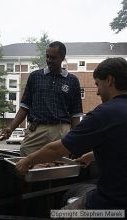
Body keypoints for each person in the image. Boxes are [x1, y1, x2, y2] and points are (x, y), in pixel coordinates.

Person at [16, 57, 127, 212]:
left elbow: (56, 150)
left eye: (97, 85)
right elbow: (119, 146)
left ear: (109, 80)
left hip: (112, 204)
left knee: (61, 212)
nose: (97, 92)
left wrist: (27, 161)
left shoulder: (104, 113)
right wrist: (91, 155)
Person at [3, 41, 82, 156]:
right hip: (37, 129)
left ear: (62, 57)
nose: (49, 60)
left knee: (59, 166)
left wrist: (76, 139)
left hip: (61, 130)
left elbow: (75, 114)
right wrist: (10, 128)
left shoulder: (72, 81)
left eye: (53, 57)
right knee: (25, 157)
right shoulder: (35, 76)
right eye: (47, 56)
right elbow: (24, 107)